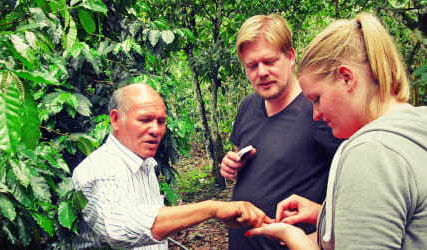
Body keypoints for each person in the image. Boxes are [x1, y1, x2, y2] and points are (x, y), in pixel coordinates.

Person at [245, 12, 427, 249]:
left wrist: (295, 239)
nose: (316, 114)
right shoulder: (415, 126)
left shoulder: (371, 152)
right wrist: (326, 215)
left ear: (346, 78)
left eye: (317, 98)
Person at [72, 83, 273, 249]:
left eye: (161, 121)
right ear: (116, 120)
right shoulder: (99, 169)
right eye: (145, 120)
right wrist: (212, 209)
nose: (155, 130)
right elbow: (118, 229)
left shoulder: (145, 164)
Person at [220, 14, 343, 249]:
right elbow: (243, 165)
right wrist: (230, 166)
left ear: (290, 57)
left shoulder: (319, 109)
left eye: (269, 61)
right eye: (252, 66)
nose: (261, 72)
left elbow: (350, 183)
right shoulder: (248, 105)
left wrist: (323, 224)